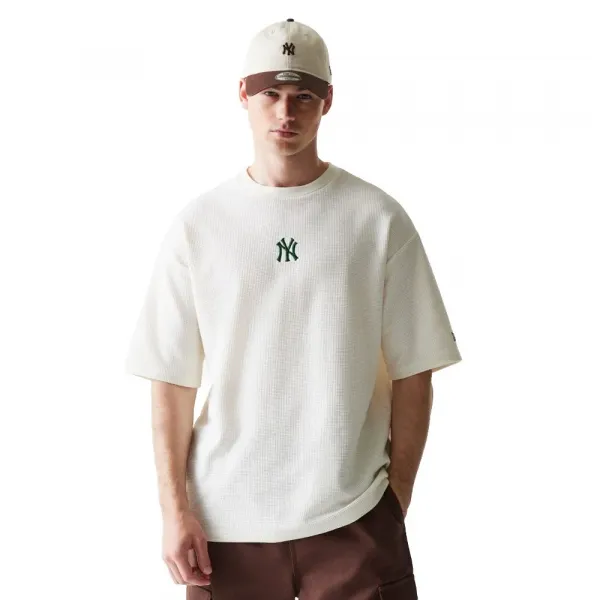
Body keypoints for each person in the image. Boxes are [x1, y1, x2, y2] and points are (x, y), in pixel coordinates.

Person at [124, 18, 462, 600]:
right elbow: (171, 383)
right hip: (226, 524)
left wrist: (393, 503)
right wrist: (174, 512)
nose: (286, 112)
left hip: (355, 517)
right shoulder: (199, 227)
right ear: (243, 95)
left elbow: (417, 370)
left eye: (303, 95)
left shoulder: (377, 219)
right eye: (271, 94)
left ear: (327, 101)